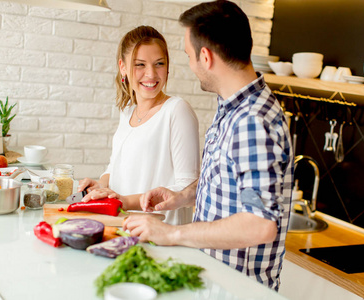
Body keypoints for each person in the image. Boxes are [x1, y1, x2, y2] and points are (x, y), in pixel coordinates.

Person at [122, 1, 294, 291]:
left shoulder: (252, 121)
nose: (190, 66)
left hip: (238, 290)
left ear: (206, 56)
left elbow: (260, 224)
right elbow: (230, 185)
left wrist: (172, 233)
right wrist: (182, 196)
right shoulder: (232, 109)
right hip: (214, 282)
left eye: (189, 56)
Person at [78, 26, 200, 226]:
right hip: (122, 226)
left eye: (159, 63)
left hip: (160, 233)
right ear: (123, 67)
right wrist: (100, 184)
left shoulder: (177, 110)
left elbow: (186, 189)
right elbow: (115, 165)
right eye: (140, 64)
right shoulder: (127, 112)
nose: (151, 74)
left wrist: (126, 202)